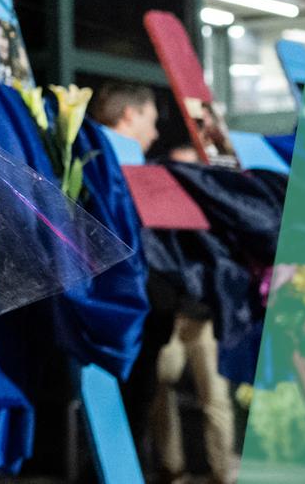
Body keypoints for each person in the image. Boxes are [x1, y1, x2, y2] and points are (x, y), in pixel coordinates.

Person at [97, 81, 232, 484]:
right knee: (140, 401)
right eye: (152, 120)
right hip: (130, 314)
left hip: (150, 312)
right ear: (130, 115)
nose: (155, 133)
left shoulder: (121, 167)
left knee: (153, 399)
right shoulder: (118, 171)